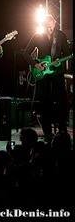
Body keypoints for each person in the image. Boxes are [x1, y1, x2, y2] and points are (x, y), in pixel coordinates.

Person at [22, 14, 71, 142]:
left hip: (57, 72)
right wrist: (35, 64)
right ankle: (47, 132)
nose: (49, 28)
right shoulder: (38, 35)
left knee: (61, 101)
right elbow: (26, 52)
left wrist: (60, 61)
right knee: (44, 102)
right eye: (46, 25)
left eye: (51, 25)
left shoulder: (60, 35)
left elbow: (66, 53)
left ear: (54, 23)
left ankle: (62, 131)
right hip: (42, 73)